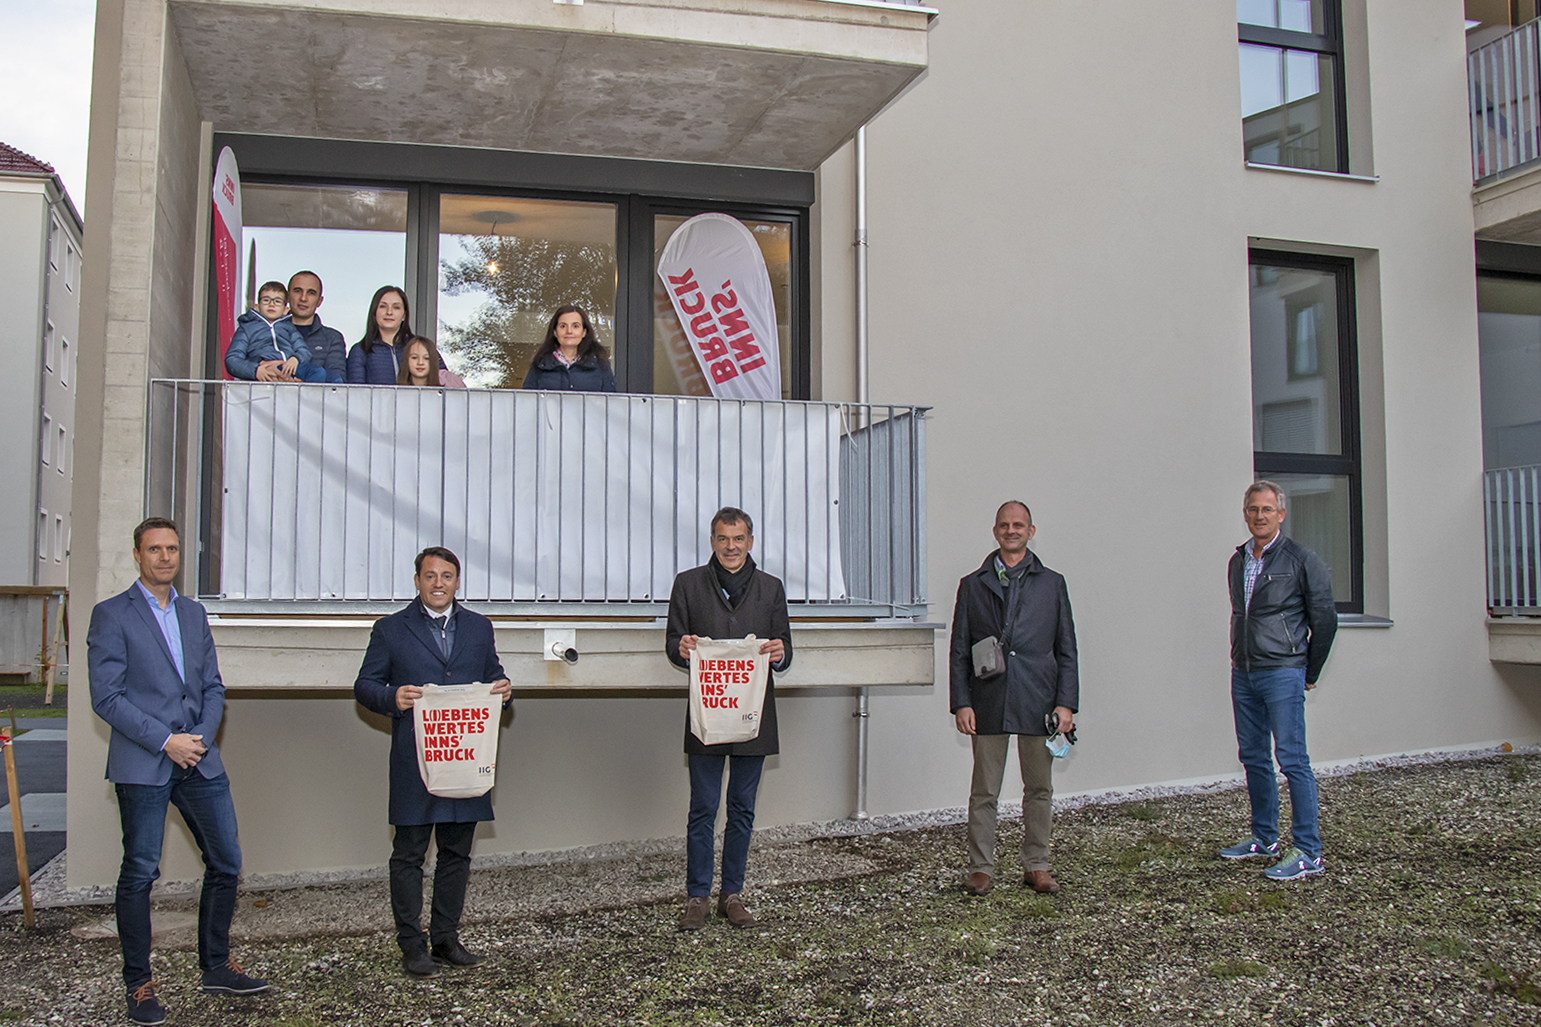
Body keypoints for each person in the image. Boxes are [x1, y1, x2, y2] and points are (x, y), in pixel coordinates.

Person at [87, 517, 270, 1026]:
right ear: (137, 555)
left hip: (198, 759)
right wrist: (165, 741)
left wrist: (199, 740)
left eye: (172, 549)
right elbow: (106, 696)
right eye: (154, 549)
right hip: (145, 761)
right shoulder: (111, 615)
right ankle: (139, 985)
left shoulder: (193, 613)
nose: (164, 557)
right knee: (141, 872)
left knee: (227, 861)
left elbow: (213, 686)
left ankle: (215, 967)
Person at [353, 547, 513, 976]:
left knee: (456, 853)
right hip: (415, 760)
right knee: (408, 854)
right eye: (430, 576)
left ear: (458, 582)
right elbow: (364, 686)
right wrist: (393, 697)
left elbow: (494, 673)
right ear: (417, 581)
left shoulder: (480, 628)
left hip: (465, 757)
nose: (438, 583)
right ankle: (412, 944)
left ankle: (445, 938)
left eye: (446, 576)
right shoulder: (390, 630)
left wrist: (505, 690)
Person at [664, 507, 791, 931]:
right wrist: (680, 648)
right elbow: (671, 643)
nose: (731, 546)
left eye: (738, 539)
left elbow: (785, 649)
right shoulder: (687, 584)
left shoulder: (771, 588)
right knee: (702, 807)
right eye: (723, 538)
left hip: (753, 718)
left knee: (742, 809)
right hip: (707, 715)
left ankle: (732, 895)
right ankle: (697, 896)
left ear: (750, 542)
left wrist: (779, 652)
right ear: (713, 542)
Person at [949, 500, 1078, 897]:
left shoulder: (1053, 583)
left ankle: (1037, 865)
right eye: (1004, 525)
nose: (1011, 530)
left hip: (1039, 699)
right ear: (995, 530)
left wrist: (1066, 703)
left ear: (1031, 531)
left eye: (1018, 525)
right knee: (985, 789)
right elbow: (958, 649)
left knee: (1039, 789)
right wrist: (962, 702)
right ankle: (980, 868)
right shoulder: (973, 584)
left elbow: (1066, 648)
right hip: (988, 699)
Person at [1221, 480, 1337, 881]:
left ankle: (1308, 850)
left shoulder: (1301, 559)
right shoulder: (1238, 561)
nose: (1259, 516)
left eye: (1267, 509)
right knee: (1253, 757)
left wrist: (1310, 670)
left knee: (1292, 760)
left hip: (1283, 672)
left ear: (1281, 515)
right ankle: (1263, 838)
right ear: (1245, 513)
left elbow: (1325, 619)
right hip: (1245, 672)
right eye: (1253, 509)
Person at [222, 281, 327, 383]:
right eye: (266, 300)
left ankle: (304, 398)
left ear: (285, 309)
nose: (271, 304)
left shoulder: (289, 328)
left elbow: (303, 350)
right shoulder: (247, 328)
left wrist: (295, 359)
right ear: (257, 307)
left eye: (277, 301)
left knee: (319, 372)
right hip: (264, 369)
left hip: (288, 368)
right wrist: (256, 370)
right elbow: (232, 359)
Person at [521, 304, 618, 392]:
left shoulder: (600, 364)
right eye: (563, 326)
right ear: (555, 332)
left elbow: (610, 404)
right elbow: (527, 402)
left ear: (584, 332)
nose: (569, 331)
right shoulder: (540, 364)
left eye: (575, 326)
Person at [286, 270, 347, 384]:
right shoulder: (269, 332)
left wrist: (304, 387)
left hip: (316, 402)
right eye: (297, 291)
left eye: (311, 293)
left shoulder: (332, 338)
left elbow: (337, 383)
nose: (303, 298)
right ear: (288, 296)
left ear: (319, 301)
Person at [347, 286, 415, 385]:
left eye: (396, 307)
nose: (389, 312)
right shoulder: (360, 350)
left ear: (404, 315)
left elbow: (442, 383)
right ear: (374, 312)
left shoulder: (419, 348)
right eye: (383, 306)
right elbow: (357, 395)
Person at [396, 336, 466, 389]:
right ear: (406, 360)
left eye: (426, 358)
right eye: (414, 357)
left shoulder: (449, 381)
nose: (420, 363)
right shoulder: (397, 393)